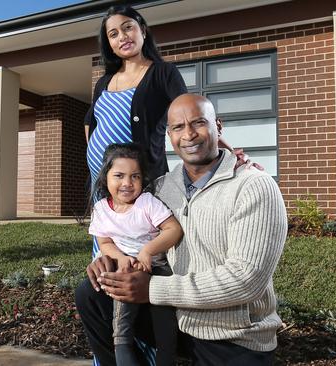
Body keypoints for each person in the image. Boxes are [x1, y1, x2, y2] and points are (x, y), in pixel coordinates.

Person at [75, 94, 287, 365]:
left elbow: (247, 279)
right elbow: (129, 227)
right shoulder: (161, 187)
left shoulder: (253, 186)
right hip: (176, 321)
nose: (188, 134)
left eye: (198, 123)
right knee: (90, 293)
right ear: (169, 136)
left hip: (233, 337)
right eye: (177, 127)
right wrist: (105, 259)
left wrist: (152, 288)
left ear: (218, 127)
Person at [84, 4, 239, 257]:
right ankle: (106, 287)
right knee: (106, 236)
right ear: (109, 44)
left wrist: (229, 151)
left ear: (142, 30)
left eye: (128, 28)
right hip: (104, 177)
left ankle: (144, 288)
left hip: (137, 178)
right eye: (113, 34)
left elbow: (191, 113)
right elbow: (91, 120)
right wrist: (92, 158)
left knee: (139, 238)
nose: (122, 36)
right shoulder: (103, 81)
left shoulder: (162, 73)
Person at [88, 143, 182, 366]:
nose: (127, 183)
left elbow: (174, 229)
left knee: (164, 328)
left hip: (156, 271)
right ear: (105, 178)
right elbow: (104, 241)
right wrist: (121, 258)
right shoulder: (101, 209)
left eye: (135, 176)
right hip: (125, 270)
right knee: (121, 330)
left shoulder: (146, 203)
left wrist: (147, 251)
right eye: (119, 175)